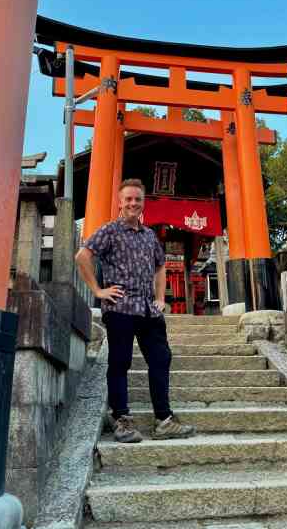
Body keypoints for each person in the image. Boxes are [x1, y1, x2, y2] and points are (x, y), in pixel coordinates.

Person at [75, 178, 196, 443]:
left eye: (137, 199)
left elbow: (161, 266)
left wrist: (161, 297)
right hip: (119, 306)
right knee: (120, 362)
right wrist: (98, 291)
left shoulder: (150, 235)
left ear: (143, 203)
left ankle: (163, 420)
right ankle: (121, 419)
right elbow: (82, 256)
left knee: (161, 358)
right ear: (120, 202)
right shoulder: (109, 231)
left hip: (148, 309)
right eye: (128, 199)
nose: (133, 203)